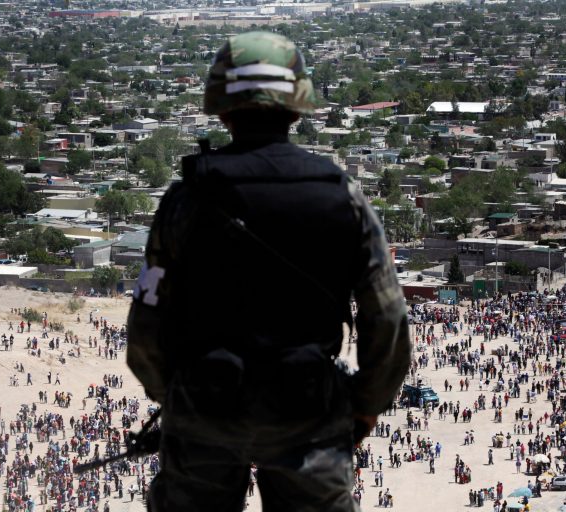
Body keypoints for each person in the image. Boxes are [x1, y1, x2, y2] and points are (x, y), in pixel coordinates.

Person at [127, 31, 411, 512]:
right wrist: (367, 403)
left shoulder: (188, 198)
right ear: (297, 105)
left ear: (220, 107)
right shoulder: (341, 193)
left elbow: (148, 316)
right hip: (306, 408)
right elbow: (386, 315)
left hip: (206, 405)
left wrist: (170, 393)